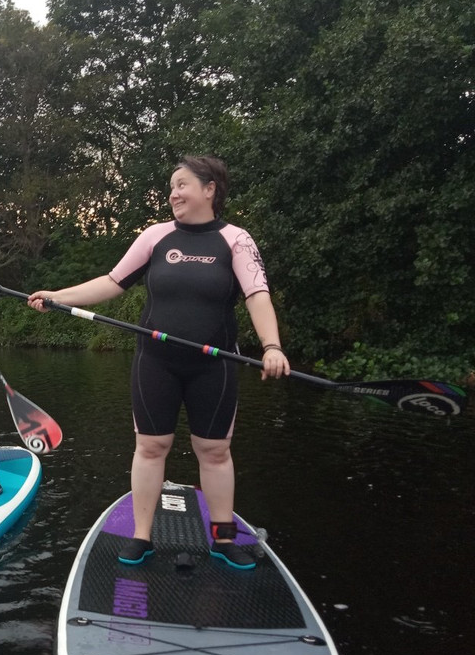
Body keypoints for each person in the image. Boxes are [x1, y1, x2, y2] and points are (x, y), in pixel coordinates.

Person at [28, 156, 290, 569]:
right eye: (171, 186)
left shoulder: (237, 240)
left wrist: (271, 346)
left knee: (215, 450)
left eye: (183, 184)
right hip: (156, 362)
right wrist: (57, 295)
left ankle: (222, 538)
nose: (174, 193)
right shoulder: (155, 236)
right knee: (151, 447)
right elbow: (112, 283)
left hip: (213, 365)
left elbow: (257, 295)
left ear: (210, 190)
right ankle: (141, 536)